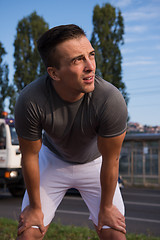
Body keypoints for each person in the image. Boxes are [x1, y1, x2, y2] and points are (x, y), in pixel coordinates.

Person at [15, 24, 128, 240]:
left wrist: (106, 208)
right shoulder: (30, 100)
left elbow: (111, 159)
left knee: (114, 232)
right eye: (77, 60)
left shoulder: (110, 100)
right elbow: (29, 156)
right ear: (54, 73)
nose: (90, 67)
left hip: (96, 163)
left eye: (91, 55)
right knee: (29, 231)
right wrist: (35, 208)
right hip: (53, 160)